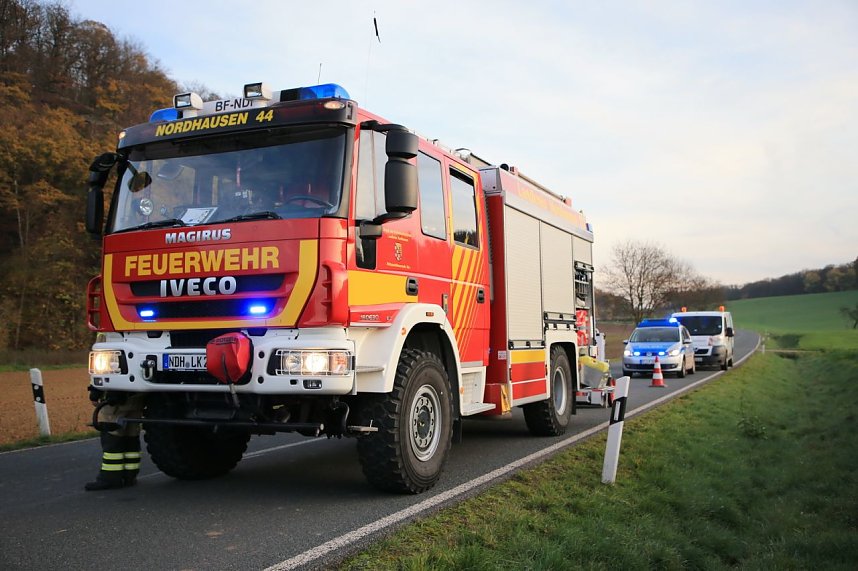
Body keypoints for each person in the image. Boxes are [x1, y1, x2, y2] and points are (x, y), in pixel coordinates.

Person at [84, 390, 145, 491]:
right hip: (137, 396)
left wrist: (95, 394)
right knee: (131, 434)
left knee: (112, 434)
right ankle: (129, 476)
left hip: (116, 397)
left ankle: (110, 478)